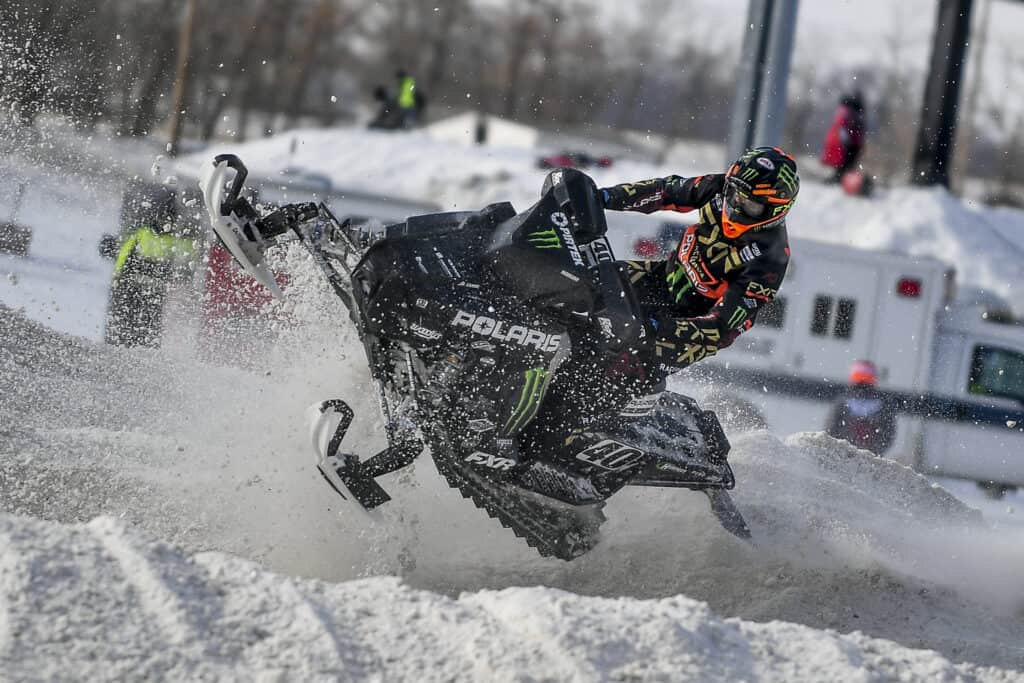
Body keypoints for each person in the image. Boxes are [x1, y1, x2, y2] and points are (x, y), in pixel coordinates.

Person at [599, 146, 797, 374]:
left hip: (693, 326)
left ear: (776, 210)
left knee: (622, 370)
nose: (736, 204)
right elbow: (666, 191)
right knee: (595, 280)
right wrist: (604, 197)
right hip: (664, 277)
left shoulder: (771, 258)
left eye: (751, 204)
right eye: (735, 194)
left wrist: (655, 327)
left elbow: (720, 326)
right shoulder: (720, 186)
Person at [104, 181, 198, 348]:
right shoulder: (181, 239)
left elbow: (122, 259)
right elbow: (188, 269)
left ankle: (120, 348)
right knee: (146, 332)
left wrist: (117, 281)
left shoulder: (144, 234)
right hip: (152, 292)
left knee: (123, 330)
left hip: (133, 290)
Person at [825, 360, 897, 455]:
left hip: (844, 455)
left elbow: (831, 430)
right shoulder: (883, 405)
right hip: (869, 457)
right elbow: (888, 436)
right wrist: (875, 452)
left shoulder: (842, 403)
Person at [821, 91, 866, 185]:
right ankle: (841, 180)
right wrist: (846, 141)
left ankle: (841, 179)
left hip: (845, 142)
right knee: (845, 164)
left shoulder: (844, 112)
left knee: (843, 165)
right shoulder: (848, 113)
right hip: (848, 143)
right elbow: (843, 128)